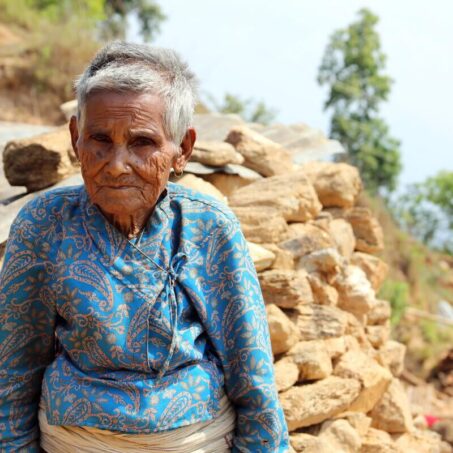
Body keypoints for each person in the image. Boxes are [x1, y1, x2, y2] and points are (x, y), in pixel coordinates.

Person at [0, 42, 289, 452]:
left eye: (142, 143)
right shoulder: (44, 226)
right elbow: (13, 374)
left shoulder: (208, 228)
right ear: (75, 138)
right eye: (99, 139)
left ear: (182, 150)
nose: (117, 164)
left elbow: (253, 377)